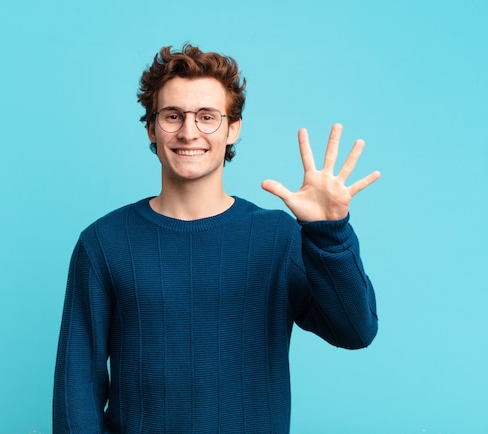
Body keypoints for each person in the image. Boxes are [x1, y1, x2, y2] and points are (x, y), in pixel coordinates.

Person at [53, 43, 381, 433]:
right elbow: (76, 391)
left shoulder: (279, 238)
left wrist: (329, 233)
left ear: (233, 128)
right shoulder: (103, 243)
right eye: (173, 116)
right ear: (151, 127)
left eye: (207, 116)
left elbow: (356, 330)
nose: (189, 131)